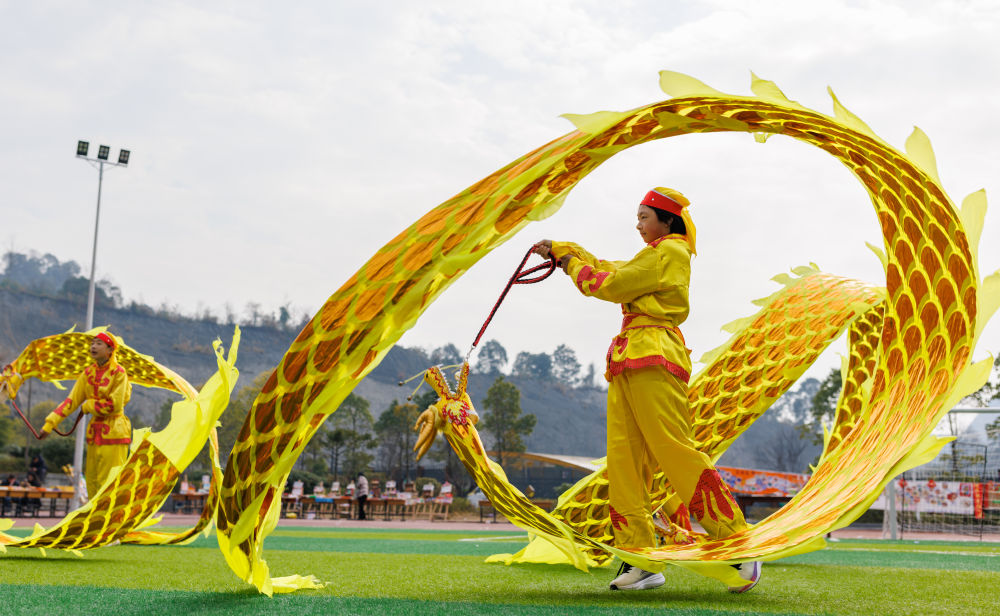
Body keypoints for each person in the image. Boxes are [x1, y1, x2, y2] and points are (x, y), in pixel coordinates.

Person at [532, 187, 761, 593]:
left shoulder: (669, 252)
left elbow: (610, 283)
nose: (637, 224)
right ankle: (638, 558)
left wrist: (568, 263)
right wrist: (562, 249)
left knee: (672, 447)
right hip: (629, 358)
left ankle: (735, 540)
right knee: (624, 461)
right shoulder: (651, 257)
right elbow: (611, 268)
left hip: (654, 354)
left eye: (643, 217)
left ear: (666, 220)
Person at [39, 331, 133, 500]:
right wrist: (50, 423)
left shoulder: (119, 373)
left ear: (110, 349)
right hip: (94, 433)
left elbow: (114, 404)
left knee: (110, 484)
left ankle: (112, 524)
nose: (93, 347)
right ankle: (96, 524)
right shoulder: (87, 373)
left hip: (115, 432)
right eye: (92, 343)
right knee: (92, 483)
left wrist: (90, 405)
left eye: (98, 343)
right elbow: (71, 401)